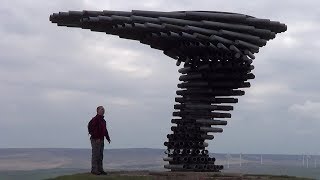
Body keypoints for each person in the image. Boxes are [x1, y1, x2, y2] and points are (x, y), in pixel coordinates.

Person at [88, 106, 111, 175]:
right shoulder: (95, 119)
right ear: (97, 111)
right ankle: (94, 170)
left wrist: (108, 138)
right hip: (95, 140)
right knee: (96, 154)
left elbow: (105, 130)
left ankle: (100, 169)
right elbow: (91, 129)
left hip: (101, 139)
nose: (103, 110)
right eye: (101, 109)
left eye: (103, 109)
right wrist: (96, 137)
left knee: (100, 155)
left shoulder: (103, 121)